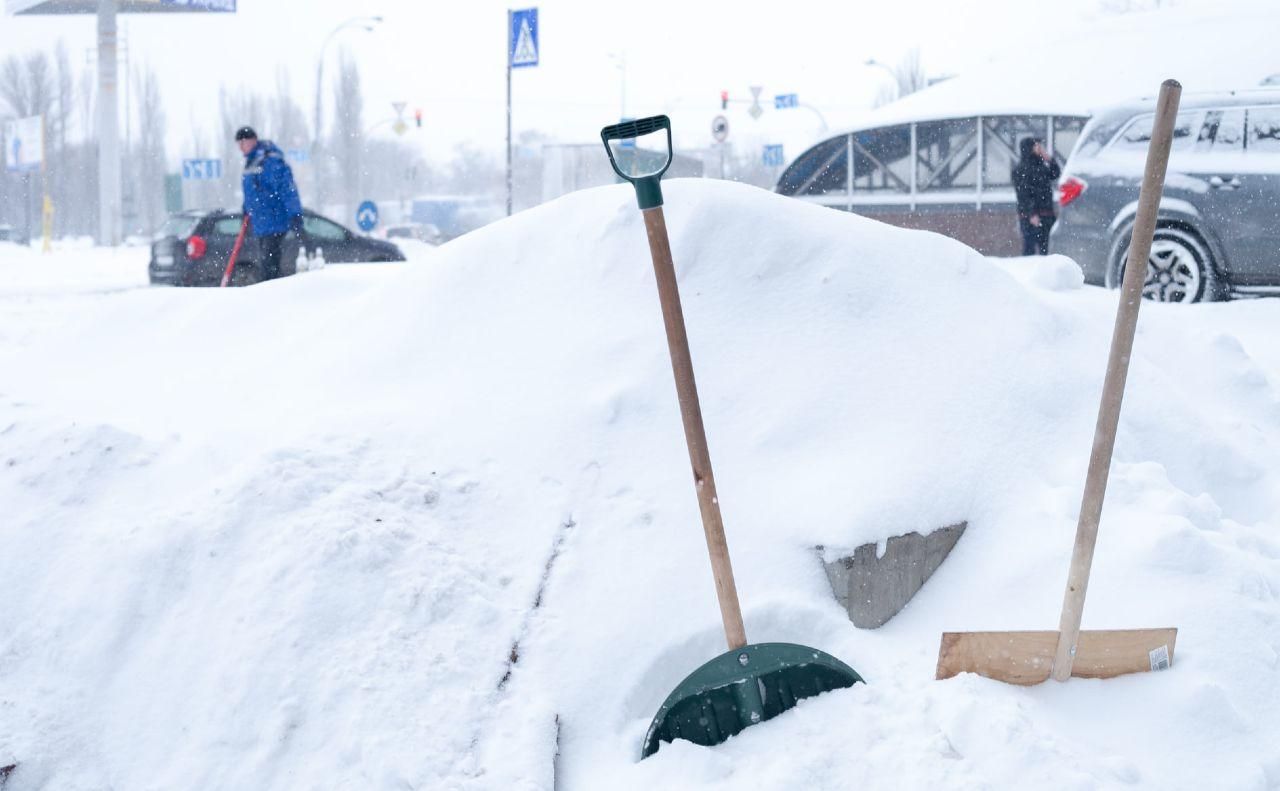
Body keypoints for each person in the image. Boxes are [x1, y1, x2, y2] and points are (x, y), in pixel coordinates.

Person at [236, 126, 304, 281]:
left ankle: (273, 298)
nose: (241, 147)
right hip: (261, 224)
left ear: (253, 140)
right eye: (238, 143)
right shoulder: (251, 163)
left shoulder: (270, 161)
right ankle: (269, 295)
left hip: (275, 222)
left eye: (243, 142)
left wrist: (295, 213)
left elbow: (287, 188)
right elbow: (251, 194)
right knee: (266, 265)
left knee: (270, 267)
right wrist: (246, 211)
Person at [1011, 137, 1061, 256]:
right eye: (1036, 146)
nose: (1040, 148)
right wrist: (1031, 214)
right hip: (1031, 216)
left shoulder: (1042, 166)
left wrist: (1049, 159)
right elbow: (1023, 195)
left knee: (1046, 250)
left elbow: (1056, 173)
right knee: (1030, 249)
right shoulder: (1021, 169)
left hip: (1046, 214)